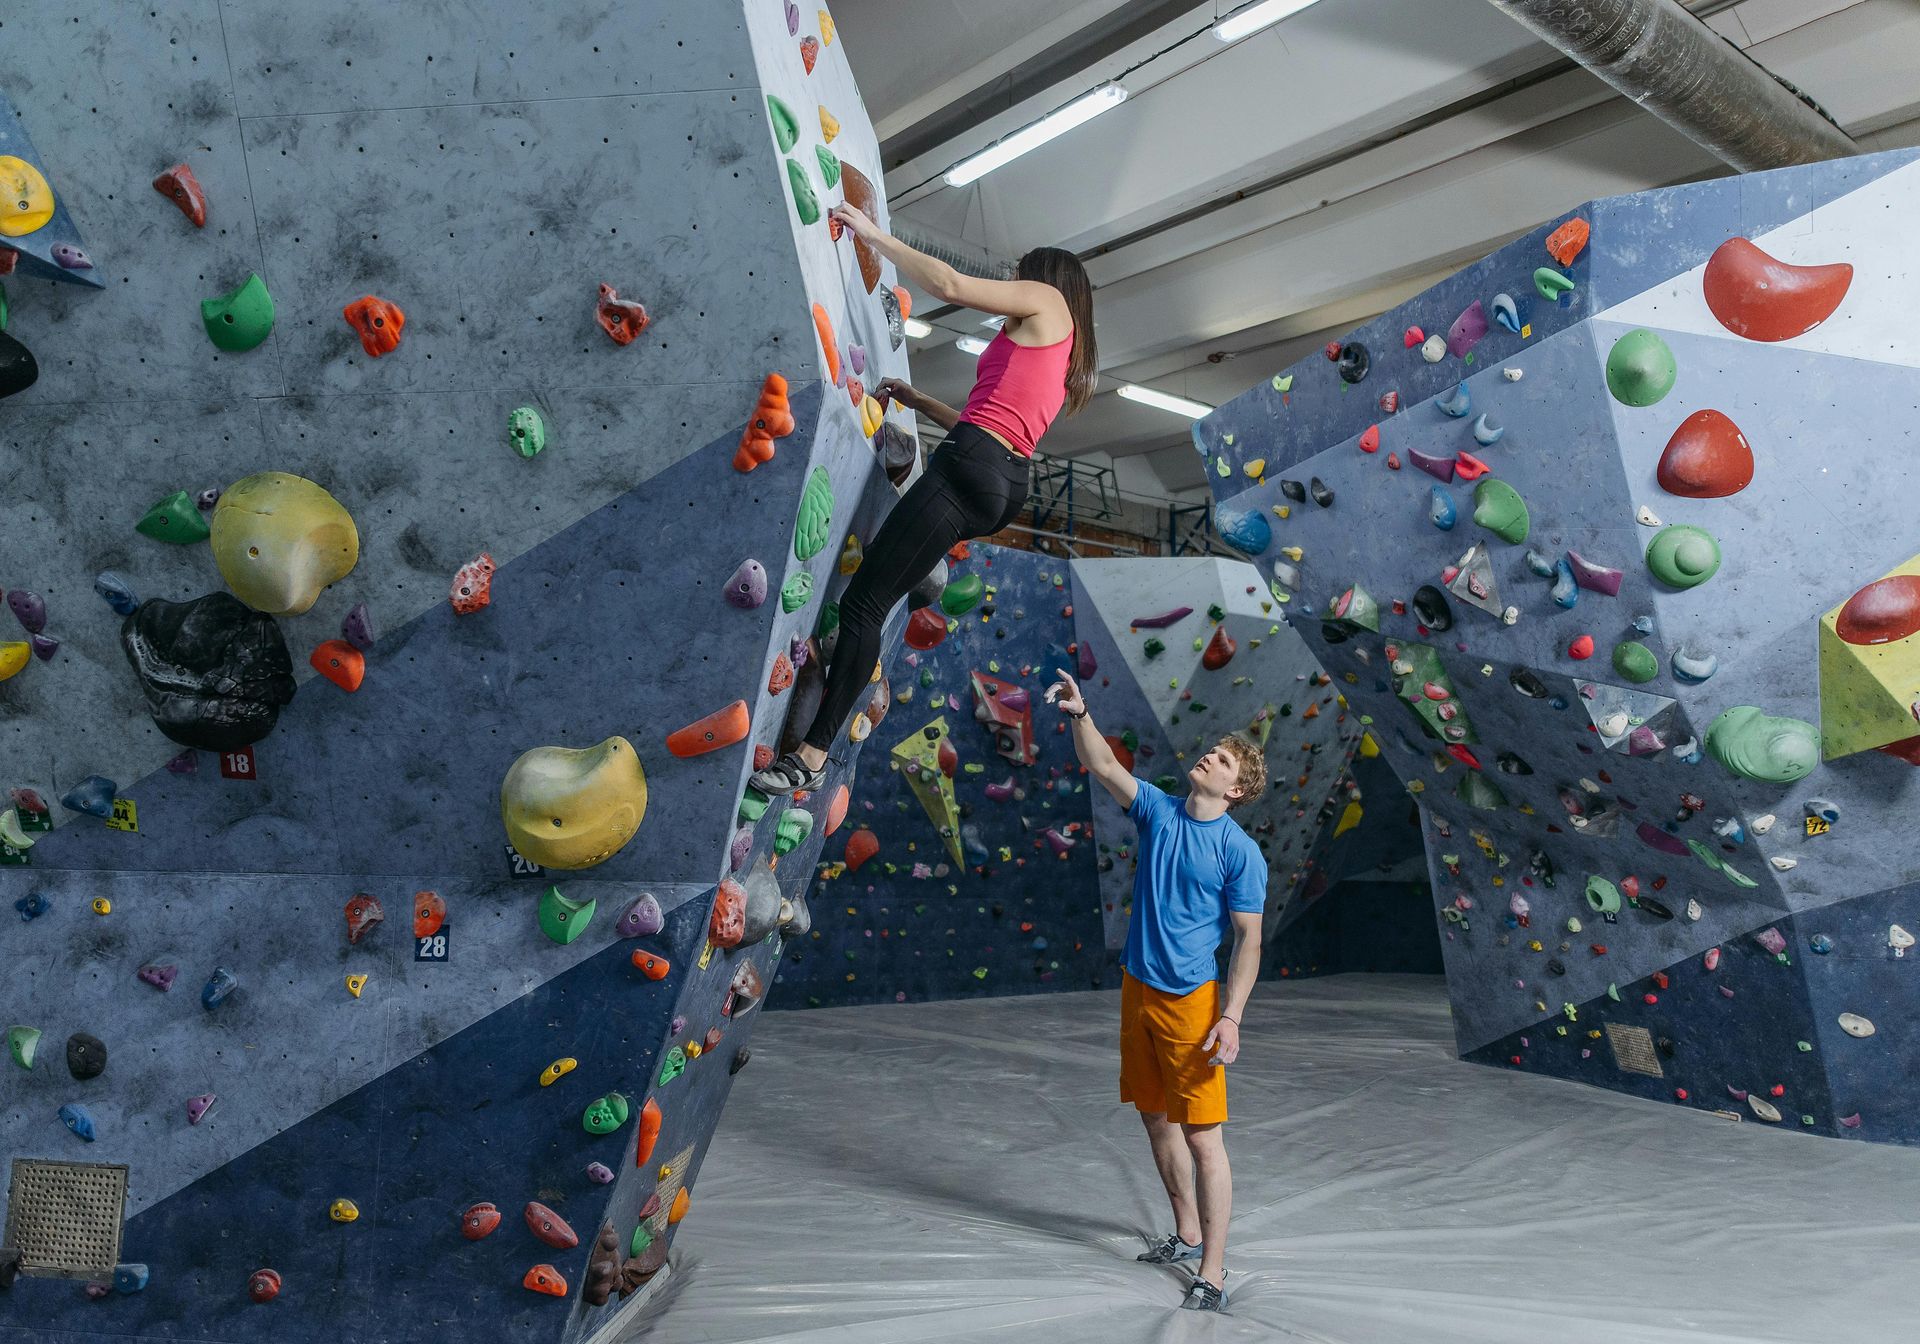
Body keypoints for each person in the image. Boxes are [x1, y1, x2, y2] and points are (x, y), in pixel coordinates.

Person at [749, 202, 1098, 796]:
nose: (1019, 281)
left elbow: (951, 284)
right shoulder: (1062, 346)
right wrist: (916, 399)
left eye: (1026, 273)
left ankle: (811, 756)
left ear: (1046, 277)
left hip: (972, 469)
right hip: (1002, 480)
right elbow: (987, 420)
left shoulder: (1047, 300)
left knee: (865, 603)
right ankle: (815, 748)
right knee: (877, 596)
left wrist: (870, 233)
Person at [1047, 669, 1267, 1313]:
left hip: (1191, 1004)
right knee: (1153, 1117)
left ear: (1238, 787)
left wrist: (1231, 1017)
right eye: (1213, 750)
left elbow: (1249, 940)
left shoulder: (1239, 851)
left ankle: (1214, 1271)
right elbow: (1105, 768)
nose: (1210, 757)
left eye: (1223, 759)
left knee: (1204, 1139)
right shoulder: (1160, 810)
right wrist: (1081, 714)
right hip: (1137, 992)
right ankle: (1186, 1232)